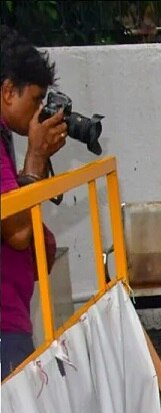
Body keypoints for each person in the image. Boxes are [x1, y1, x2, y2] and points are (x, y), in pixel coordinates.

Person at [1, 25, 66, 379]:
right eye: (36, 99)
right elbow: (17, 232)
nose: (39, 110)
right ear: (9, 91)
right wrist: (36, 158)